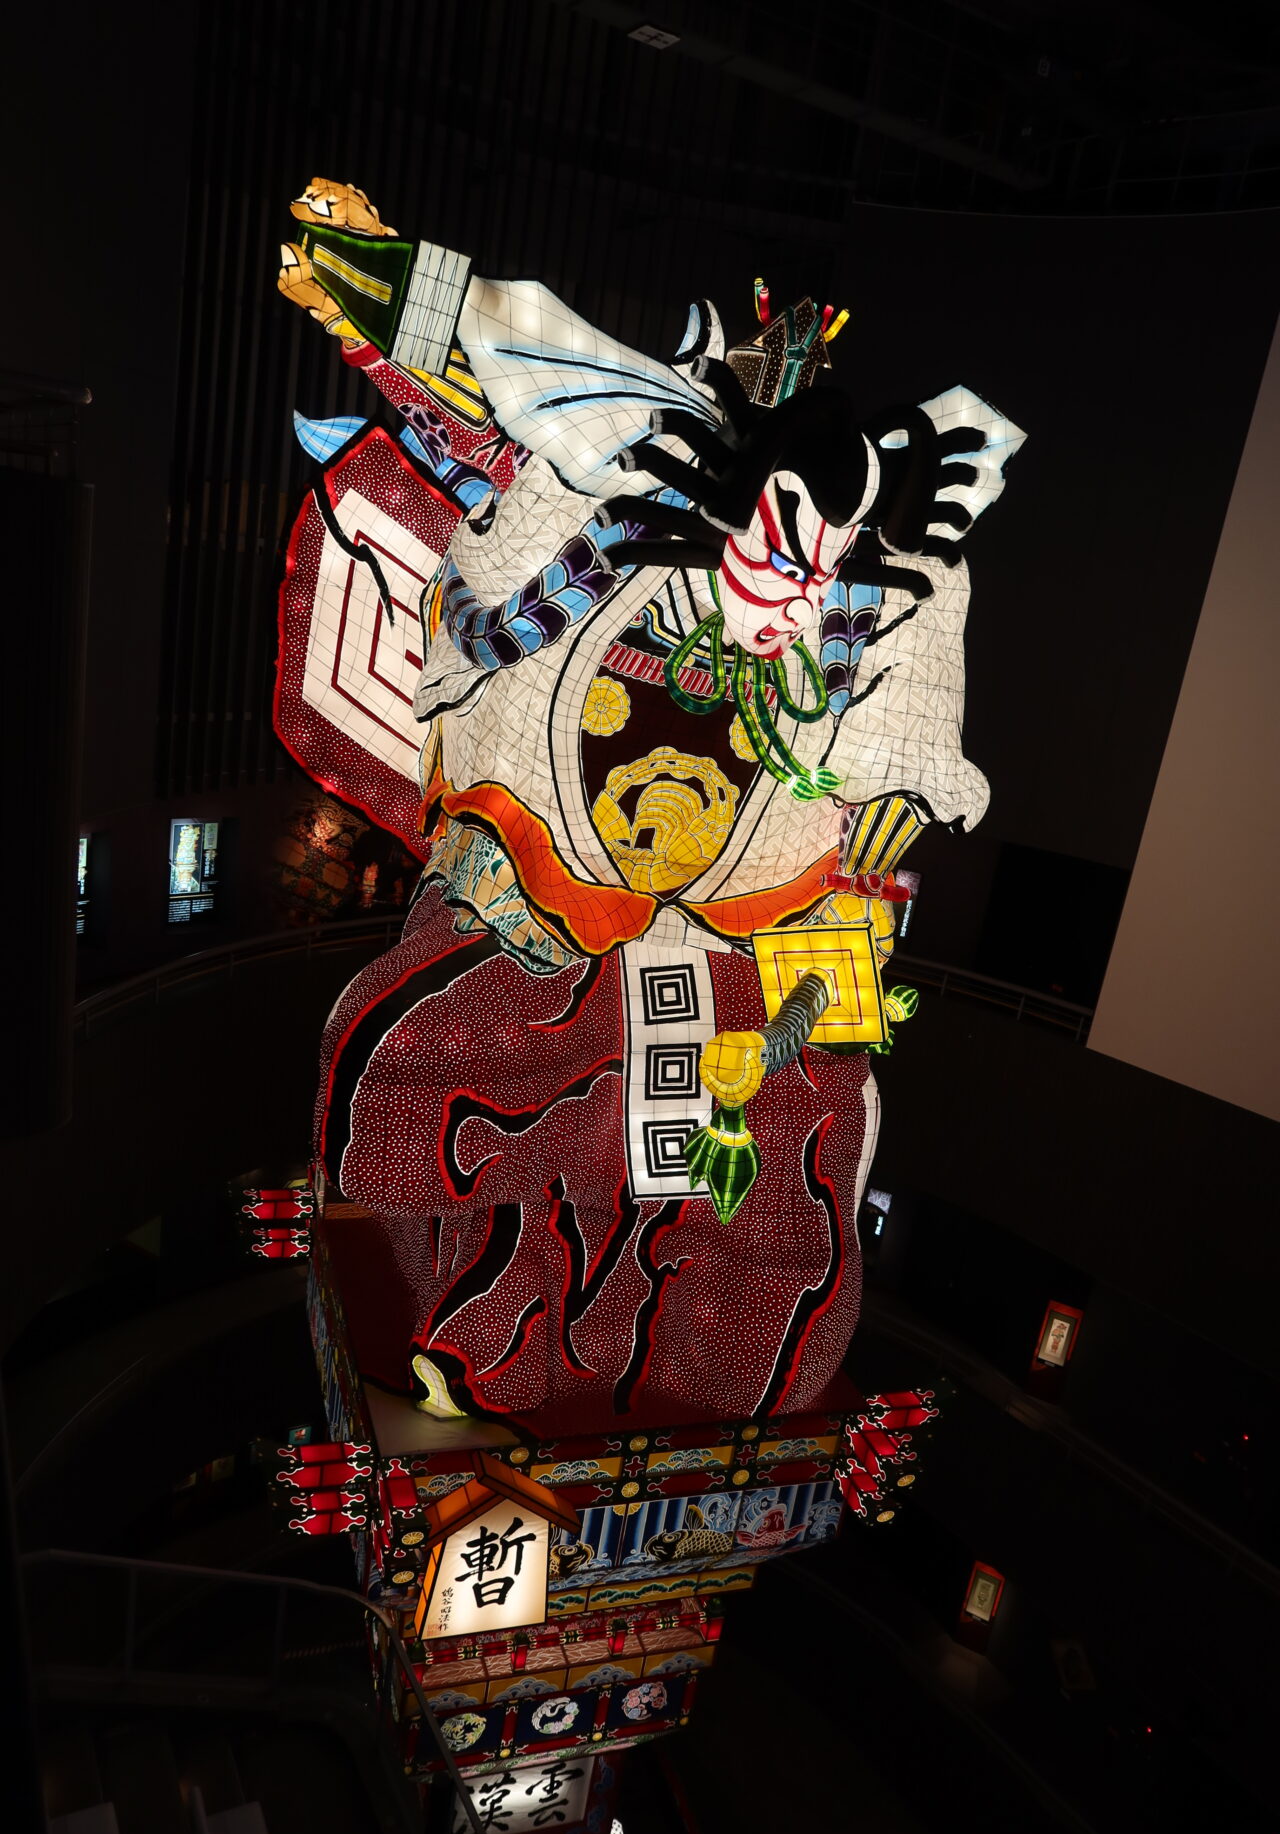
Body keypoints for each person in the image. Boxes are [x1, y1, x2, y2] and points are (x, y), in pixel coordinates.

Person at [276, 178, 1023, 1421]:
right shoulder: (609, 510)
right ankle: (496, 1326)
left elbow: (918, 645)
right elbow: (501, 426)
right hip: (563, 904)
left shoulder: (871, 589)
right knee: (450, 1076)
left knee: (767, 1158)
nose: (798, 585)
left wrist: (900, 786)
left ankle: (727, 1355)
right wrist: (393, 317)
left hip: (748, 931)